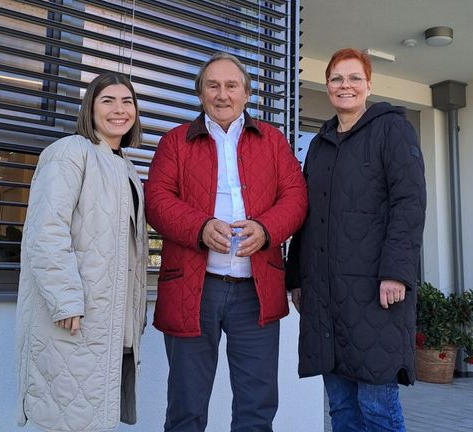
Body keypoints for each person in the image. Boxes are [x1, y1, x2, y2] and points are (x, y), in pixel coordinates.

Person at [145, 52, 307, 432]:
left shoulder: (272, 140)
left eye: (231, 86)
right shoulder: (174, 142)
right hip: (193, 289)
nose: (222, 94)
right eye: (213, 86)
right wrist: (200, 227)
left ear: (246, 94)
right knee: (186, 408)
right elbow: (157, 200)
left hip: (256, 291)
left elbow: (296, 197)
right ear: (200, 93)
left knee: (257, 408)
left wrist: (265, 229)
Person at [285, 48, 426, 431]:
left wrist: (396, 272)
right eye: (336, 78)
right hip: (326, 295)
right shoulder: (320, 144)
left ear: (368, 85)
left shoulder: (392, 130)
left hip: (376, 291)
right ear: (327, 85)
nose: (344, 85)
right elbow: (308, 215)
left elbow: (410, 203)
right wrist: (297, 278)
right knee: (342, 407)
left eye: (353, 78)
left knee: (377, 405)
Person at [15, 72, 148, 432]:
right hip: (76, 316)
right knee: (66, 418)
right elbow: (46, 231)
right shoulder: (70, 152)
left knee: (94, 417)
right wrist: (65, 300)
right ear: (90, 108)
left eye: (127, 101)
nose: (119, 110)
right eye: (108, 101)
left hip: (110, 322)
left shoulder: (126, 167)